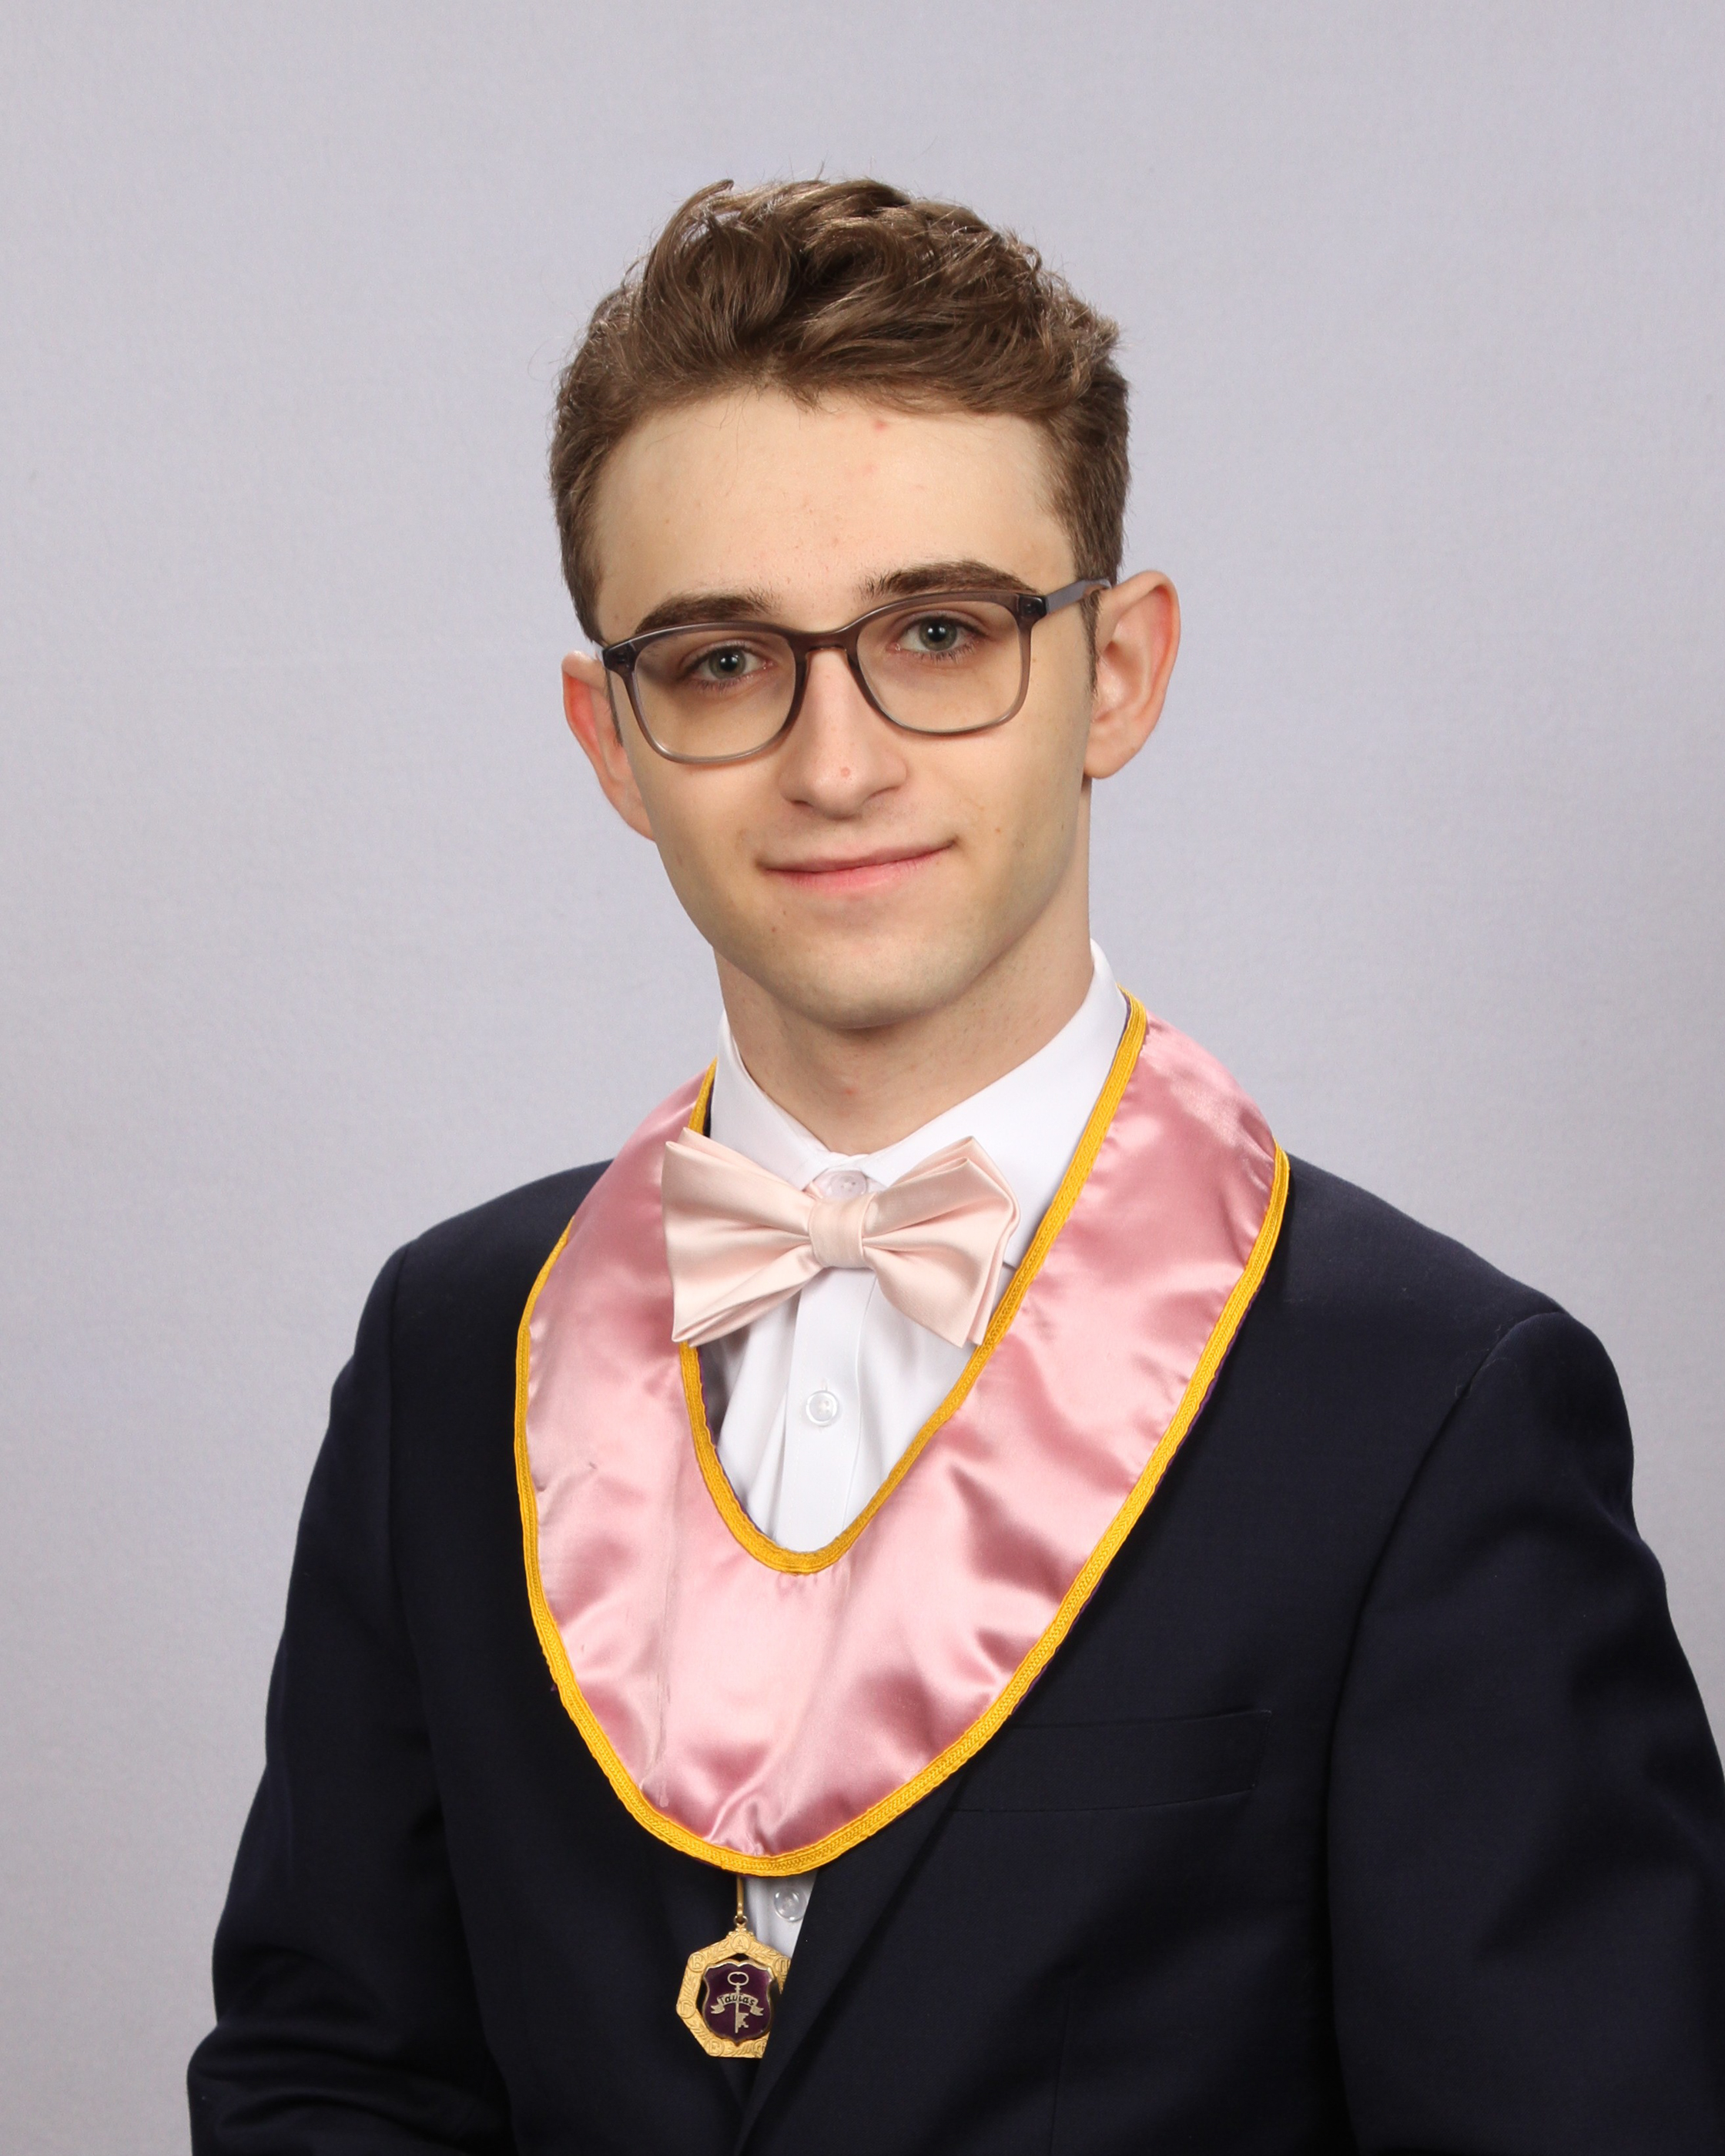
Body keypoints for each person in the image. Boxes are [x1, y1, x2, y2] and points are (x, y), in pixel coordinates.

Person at [188, 179, 1725, 2154]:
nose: (836, 762)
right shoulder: (448, 1342)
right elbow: (337, 2069)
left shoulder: (1431, 1406)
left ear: (1120, 670)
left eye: (938, 632)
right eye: (721, 658)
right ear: (610, 735)